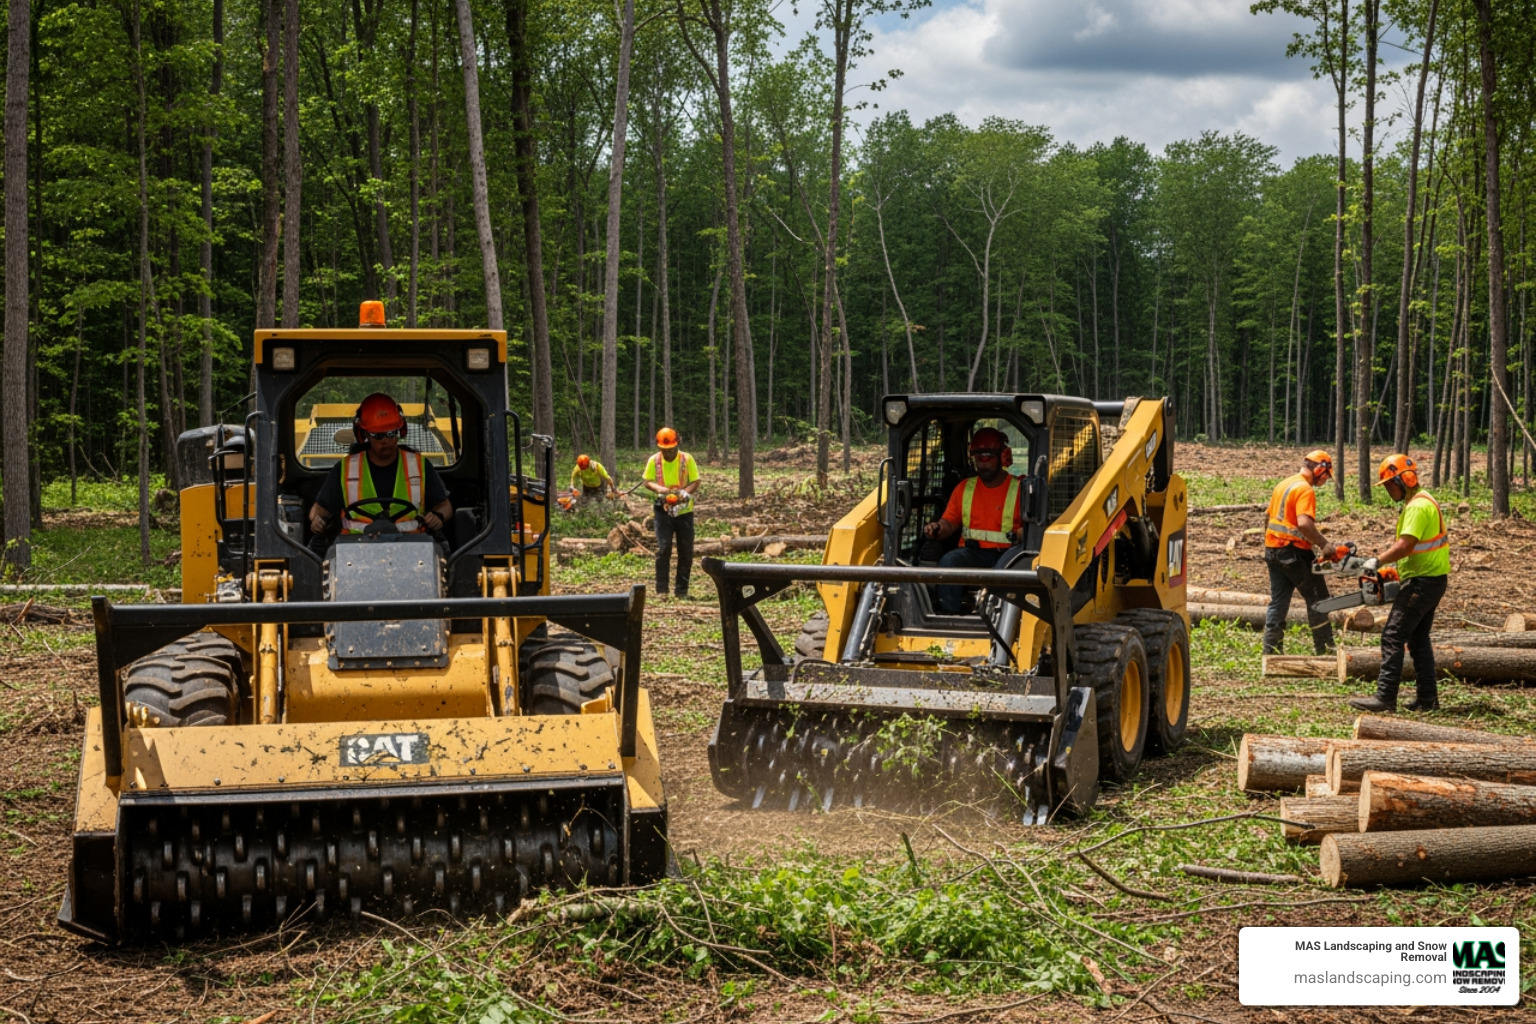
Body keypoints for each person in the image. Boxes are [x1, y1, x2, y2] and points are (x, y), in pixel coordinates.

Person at [1348, 454, 1450, 713]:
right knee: (1418, 639)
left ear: (1405, 480)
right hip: (1432, 579)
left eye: (1389, 485)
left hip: (1422, 582)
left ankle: (1385, 697)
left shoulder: (1417, 506)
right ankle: (1428, 699)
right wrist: (1396, 571)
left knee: (1392, 636)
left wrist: (1377, 561)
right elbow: (1416, 549)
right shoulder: (1423, 500)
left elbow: (1405, 545)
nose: (1388, 490)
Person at [308, 392, 452, 540]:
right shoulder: (345, 469)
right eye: (378, 435)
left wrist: (438, 517)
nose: (385, 441)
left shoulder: (419, 465)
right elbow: (318, 510)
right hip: (355, 548)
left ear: (399, 431)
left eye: (391, 433)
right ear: (365, 434)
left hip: (413, 546)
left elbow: (445, 506)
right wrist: (317, 520)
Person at [922, 427, 1024, 615]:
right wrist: (938, 528)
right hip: (972, 552)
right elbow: (949, 522)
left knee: (1006, 573)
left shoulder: (1020, 489)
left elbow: (1033, 528)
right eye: (979, 458)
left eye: (988, 457)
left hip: (1009, 554)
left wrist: (1022, 534)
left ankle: (1000, 618)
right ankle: (949, 616)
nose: (983, 465)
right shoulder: (964, 488)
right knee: (949, 561)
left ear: (1002, 456)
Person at [1262, 450, 1343, 656]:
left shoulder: (1284, 484)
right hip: (1293, 552)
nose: (1325, 480)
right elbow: (1304, 523)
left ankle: (1271, 650)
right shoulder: (1305, 489)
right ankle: (1325, 648)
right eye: (1326, 475)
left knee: (1278, 602)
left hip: (1273, 550)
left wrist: (1272, 545)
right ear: (1319, 469)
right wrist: (1324, 544)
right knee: (1318, 599)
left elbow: (1267, 518)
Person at [642, 427, 699, 599]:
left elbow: (695, 481)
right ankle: (662, 590)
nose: (667, 453)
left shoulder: (687, 459)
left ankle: (681, 591)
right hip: (663, 509)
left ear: (677, 445)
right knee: (663, 548)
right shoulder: (654, 461)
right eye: (664, 450)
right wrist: (661, 490)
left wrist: (685, 493)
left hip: (684, 511)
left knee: (686, 550)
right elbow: (647, 481)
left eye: (670, 450)